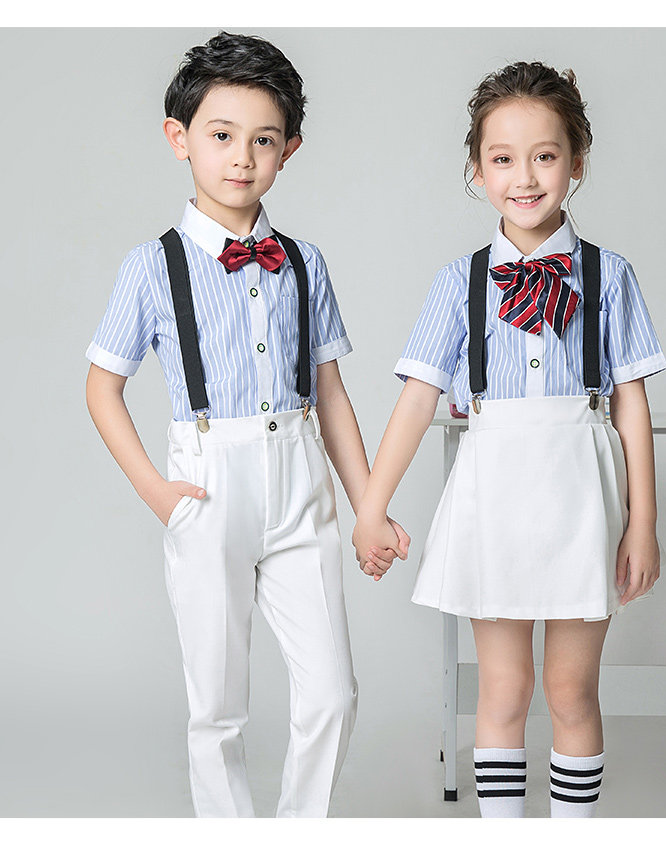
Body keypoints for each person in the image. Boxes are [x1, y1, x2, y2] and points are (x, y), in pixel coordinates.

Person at [85, 31, 408, 818]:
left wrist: (368, 507)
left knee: (332, 691)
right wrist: (159, 493)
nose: (242, 157)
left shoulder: (304, 261)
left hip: (300, 479)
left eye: (263, 140)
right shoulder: (151, 266)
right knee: (218, 703)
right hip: (207, 480)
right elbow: (102, 387)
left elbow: (330, 394)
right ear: (180, 138)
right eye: (222, 135)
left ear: (288, 150)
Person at [352, 60, 666, 818]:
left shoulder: (610, 276)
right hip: (493, 497)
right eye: (502, 158)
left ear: (576, 162)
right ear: (477, 169)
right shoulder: (456, 283)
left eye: (545, 156)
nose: (524, 177)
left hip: (581, 498)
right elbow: (416, 401)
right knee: (503, 687)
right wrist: (371, 507)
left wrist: (642, 523)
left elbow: (631, 406)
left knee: (571, 689)